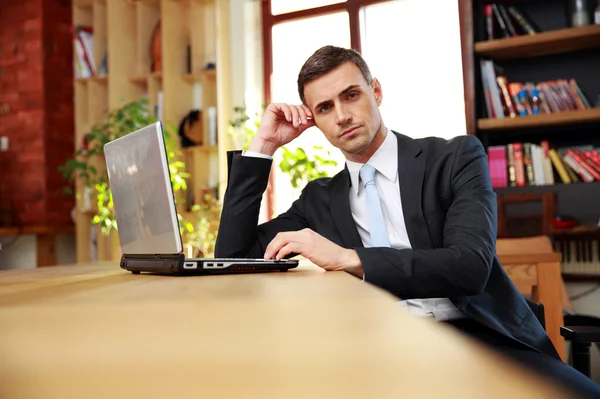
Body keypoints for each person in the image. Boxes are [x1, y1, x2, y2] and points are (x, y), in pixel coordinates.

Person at [215, 45, 600, 399]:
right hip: (372, 350)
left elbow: (469, 267)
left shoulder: (455, 158)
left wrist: (350, 258)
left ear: (376, 92)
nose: (343, 116)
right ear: (313, 120)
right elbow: (233, 255)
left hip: (480, 339)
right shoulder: (319, 198)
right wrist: (262, 146)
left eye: (351, 95)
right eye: (325, 108)